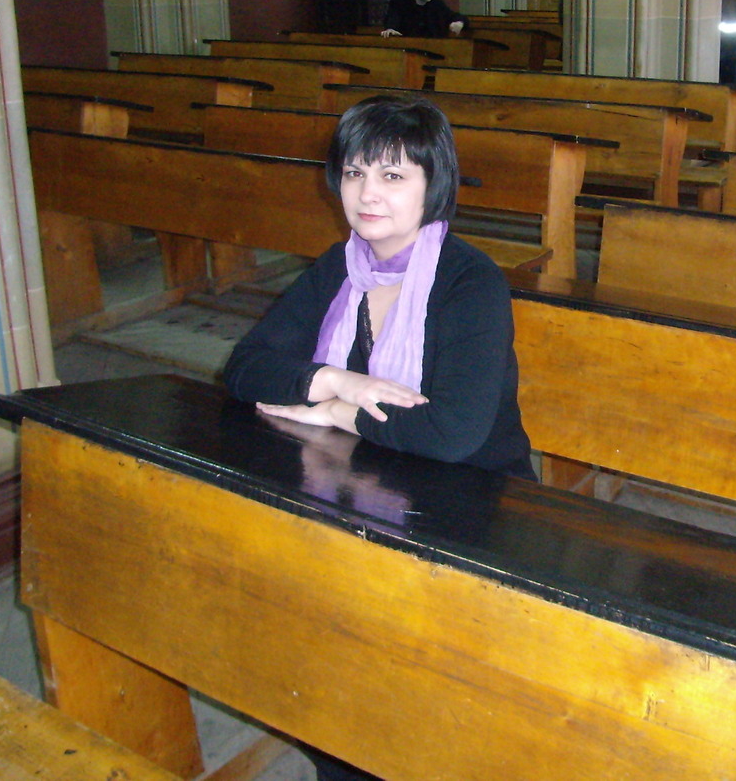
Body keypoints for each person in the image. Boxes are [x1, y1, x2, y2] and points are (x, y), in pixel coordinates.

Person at [223, 94, 533, 781]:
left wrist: (338, 410)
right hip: (371, 486)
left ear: (433, 184)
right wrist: (337, 377)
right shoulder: (341, 270)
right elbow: (244, 368)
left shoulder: (470, 282)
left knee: (417, 689)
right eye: (355, 172)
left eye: (393, 175)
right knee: (314, 651)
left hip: (477, 508)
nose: (368, 194)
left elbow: (452, 434)